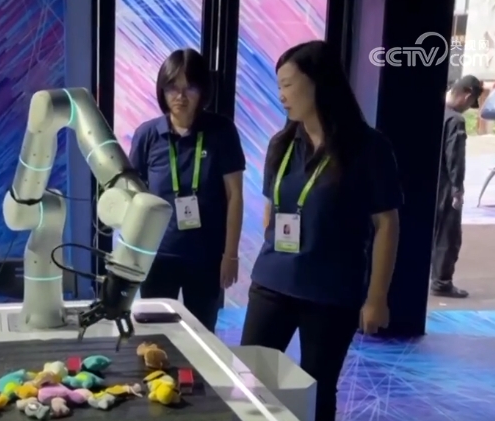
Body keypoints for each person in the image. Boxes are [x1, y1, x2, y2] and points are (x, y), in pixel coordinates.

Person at [241, 40, 402, 421]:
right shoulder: (282, 144)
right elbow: (272, 210)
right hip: (273, 283)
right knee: (250, 380)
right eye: (279, 86)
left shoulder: (369, 148)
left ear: (320, 83)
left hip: (330, 292)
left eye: (288, 85)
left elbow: (387, 225)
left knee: (317, 390)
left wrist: (376, 297)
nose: (281, 95)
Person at [129, 48, 246, 332]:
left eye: (190, 87)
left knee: (202, 335)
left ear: (203, 90)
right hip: (158, 255)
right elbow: (132, 198)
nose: (180, 96)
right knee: (155, 334)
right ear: (162, 89)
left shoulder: (221, 131)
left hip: (207, 258)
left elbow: (235, 197)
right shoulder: (147, 135)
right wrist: (132, 255)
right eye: (172, 87)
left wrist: (230, 255)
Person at [433, 75, 482, 299]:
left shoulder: (435, 112)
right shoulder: (455, 120)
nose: (467, 108)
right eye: (470, 103)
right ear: (467, 95)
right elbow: (455, 157)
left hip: (427, 183)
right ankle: (442, 282)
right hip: (444, 185)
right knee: (448, 235)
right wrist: (457, 190)